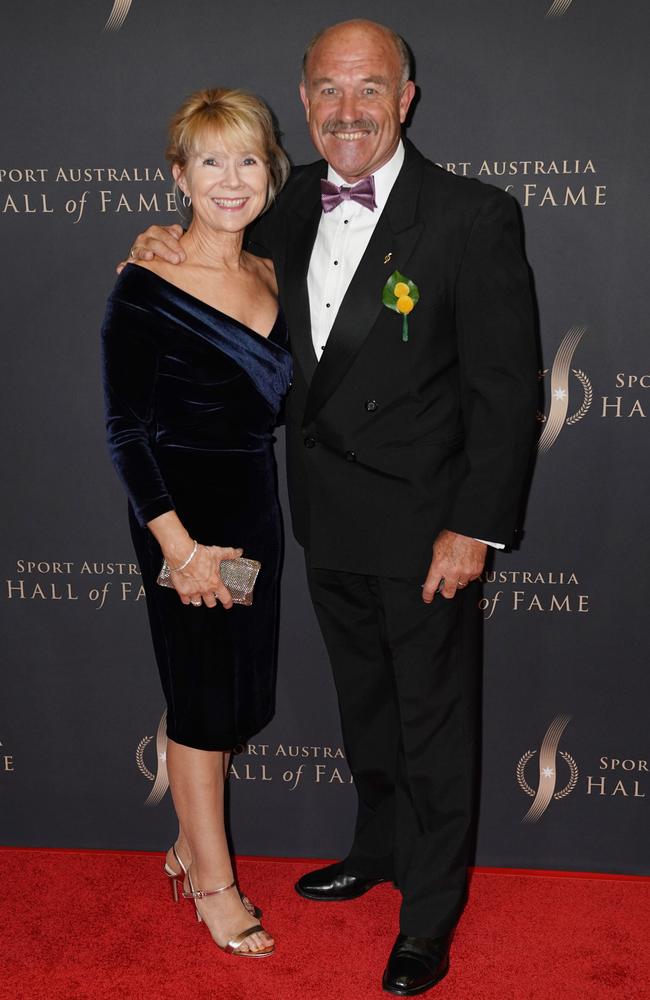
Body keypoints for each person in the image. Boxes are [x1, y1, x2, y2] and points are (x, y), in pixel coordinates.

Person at [127, 19, 538, 995]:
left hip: (426, 525)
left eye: (367, 90)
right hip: (322, 514)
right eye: (326, 90)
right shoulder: (286, 204)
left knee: (433, 729)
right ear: (303, 99)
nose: (345, 111)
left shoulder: (470, 217)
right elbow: (215, 253)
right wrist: (162, 241)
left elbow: (505, 389)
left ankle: (428, 916)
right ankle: (378, 846)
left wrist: (473, 526)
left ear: (403, 97)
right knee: (366, 712)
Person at [102, 87, 291, 958]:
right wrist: (177, 550)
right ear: (178, 174)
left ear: (270, 173)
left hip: (255, 509)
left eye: (246, 159)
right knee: (198, 704)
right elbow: (127, 430)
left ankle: (190, 839)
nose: (230, 179)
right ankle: (212, 885)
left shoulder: (272, 273)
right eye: (209, 160)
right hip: (185, 523)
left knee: (233, 699)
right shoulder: (146, 282)